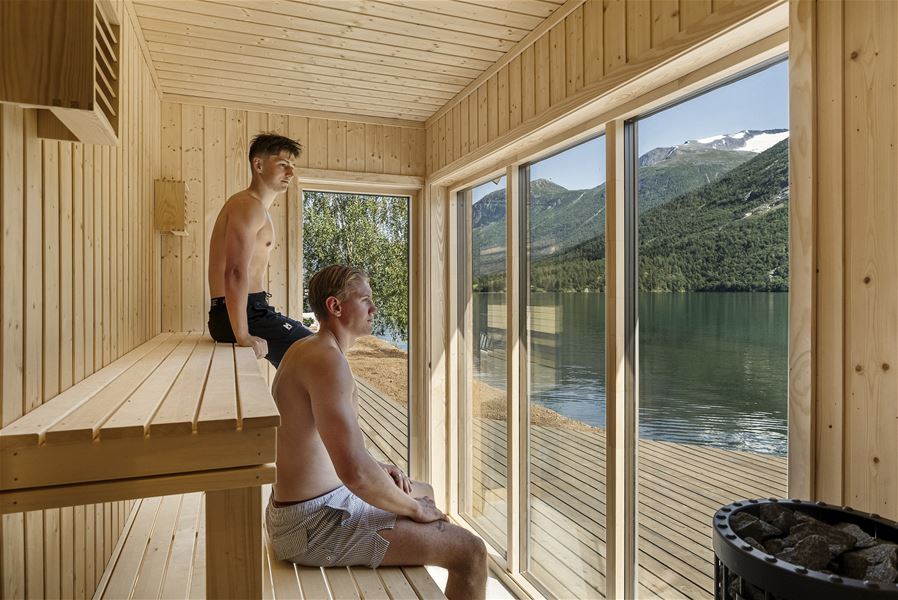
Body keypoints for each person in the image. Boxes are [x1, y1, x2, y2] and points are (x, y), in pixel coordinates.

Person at [267, 265, 488, 600]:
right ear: (335, 306)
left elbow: (330, 447)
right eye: (365, 300)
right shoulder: (327, 361)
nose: (374, 308)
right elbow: (355, 473)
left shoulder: (310, 348)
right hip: (312, 526)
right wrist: (413, 510)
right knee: (470, 552)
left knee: (423, 490)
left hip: (307, 508)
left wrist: (380, 468)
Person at [207, 133, 312, 367]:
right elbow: (234, 271)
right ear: (258, 165)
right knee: (319, 351)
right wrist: (243, 335)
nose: (290, 173)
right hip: (241, 314)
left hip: (244, 311)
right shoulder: (248, 205)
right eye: (283, 164)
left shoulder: (255, 207)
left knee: (309, 357)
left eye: (292, 166)